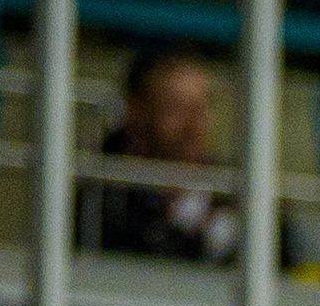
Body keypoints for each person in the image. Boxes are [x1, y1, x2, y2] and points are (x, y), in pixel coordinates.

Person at [83, 43, 239, 266]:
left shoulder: (238, 191)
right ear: (137, 111)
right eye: (176, 107)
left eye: (203, 106)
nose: (194, 123)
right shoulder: (105, 196)